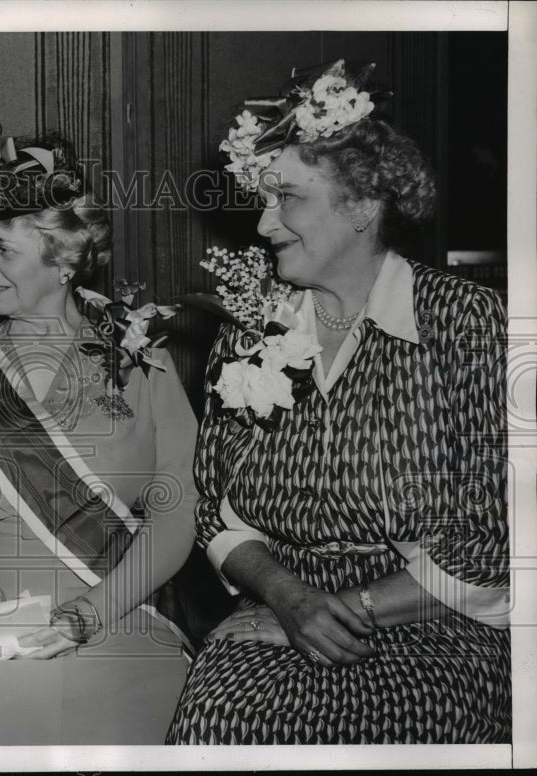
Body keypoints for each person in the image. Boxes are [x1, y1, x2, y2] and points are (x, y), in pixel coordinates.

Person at [167, 61, 510, 744]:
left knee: (409, 727)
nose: (263, 226)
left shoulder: (466, 323)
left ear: (362, 205)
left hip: (433, 624)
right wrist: (291, 600)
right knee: (216, 721)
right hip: (277, 612)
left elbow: (493, 541)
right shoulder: (249, 328)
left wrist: (340, 609)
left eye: (286, 199)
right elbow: (215, 511)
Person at [0, 118, 197, 745]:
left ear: (63, 260)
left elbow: (178, 511)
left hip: (120, 618)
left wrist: (94, 611)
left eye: (3, 249)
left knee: (127, 705)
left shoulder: (143, 363)